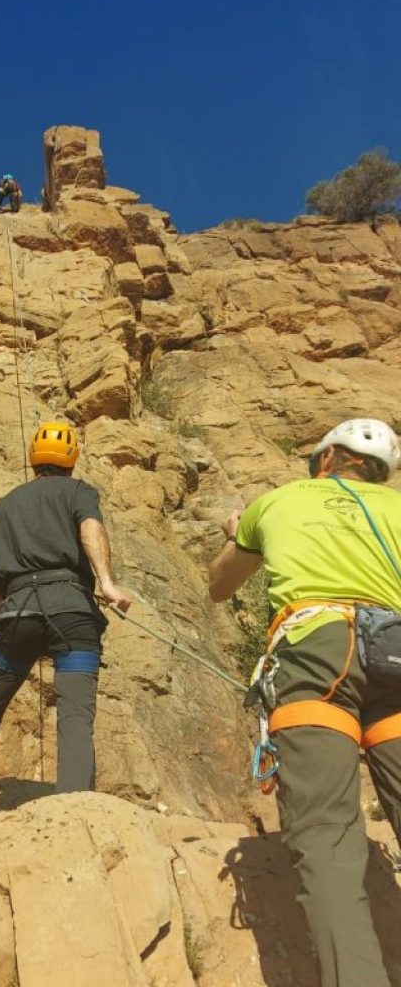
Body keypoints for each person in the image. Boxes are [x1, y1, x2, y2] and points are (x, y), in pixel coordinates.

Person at [208, 418, 401, 987]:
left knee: (327, 837)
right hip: (398, 653)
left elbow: (219, 584)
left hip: (319, 651)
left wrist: (240, 532)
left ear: (324, 460)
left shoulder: (276, 501)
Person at [0, 421, 131, 828]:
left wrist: (10, 601)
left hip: (18, 616)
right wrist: (106, 583)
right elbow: (90, 529)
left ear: (34, 459)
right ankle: (75, 814)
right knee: (73, 715)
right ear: (72, 460)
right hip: (73, 613)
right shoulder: (78, 492)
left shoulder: (2, 506)